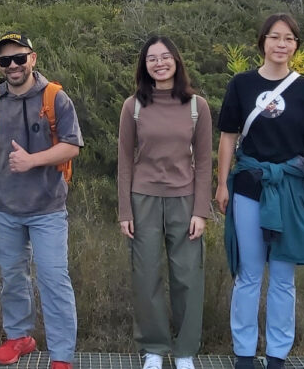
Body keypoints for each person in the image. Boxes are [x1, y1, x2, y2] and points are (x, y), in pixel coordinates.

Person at [214, 13, 304, 369]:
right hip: (249, 186)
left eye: (289, 39)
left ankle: (278, 353)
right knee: (249, 273)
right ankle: (245, 353)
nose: (282, 44)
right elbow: (228, 138)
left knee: (283, 276)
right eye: (275, 37)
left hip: (292, 190)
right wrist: (221, 184)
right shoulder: (242, 84)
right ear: (262, 41)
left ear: (296, 45)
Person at [0, 32, 83, 369]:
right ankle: (20, 337)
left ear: (33, 58)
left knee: (53, 277)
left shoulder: (55, 98)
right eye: (5, 60)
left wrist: (33, 160)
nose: (13, 65)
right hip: (5, 209)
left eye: (20, 58)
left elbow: (72, 145)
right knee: (13, 276)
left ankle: (62, 355)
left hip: (47, 208)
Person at [117, 36, 212, 369]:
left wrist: (201, 211)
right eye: (152, 59)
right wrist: (124, 211)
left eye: (165, 57)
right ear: (144, 66)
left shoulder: (197, 106)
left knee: (187, 276)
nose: (159, 63)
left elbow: (204, 162)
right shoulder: (134, 106)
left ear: (176, 61)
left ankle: (185, 350)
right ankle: (154, 348)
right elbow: (125, 161)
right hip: (143, 199)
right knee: (146, 275)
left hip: (184, 200)